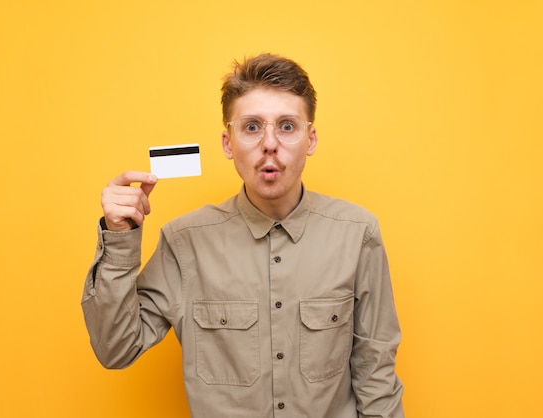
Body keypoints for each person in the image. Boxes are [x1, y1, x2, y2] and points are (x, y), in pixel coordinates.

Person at [82, 53, 404, 417]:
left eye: (287, 126)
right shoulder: (184, 243)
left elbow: (376, 373)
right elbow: (116, 348)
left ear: (310, 139)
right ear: (227, 143)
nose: (269, 143)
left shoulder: (357, 234)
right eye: (252, 127)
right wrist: (118, 238)